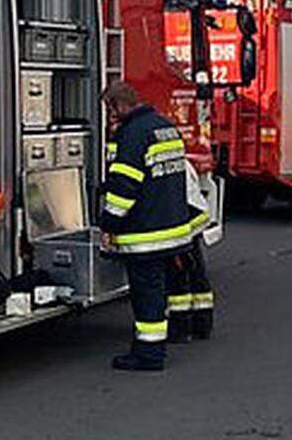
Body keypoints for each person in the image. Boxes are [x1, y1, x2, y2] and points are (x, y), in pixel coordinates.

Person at [99, 81, 209, 371]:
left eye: (110, 110)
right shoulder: (164, 126)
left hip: (146, 233)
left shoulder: (133, 134)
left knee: (146, 296)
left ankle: (149, 354)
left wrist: (107, 223)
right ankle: (161, 341)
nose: (109, 117)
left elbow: (124, 188)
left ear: (119, 105)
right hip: (172, 228)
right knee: (160, 290)